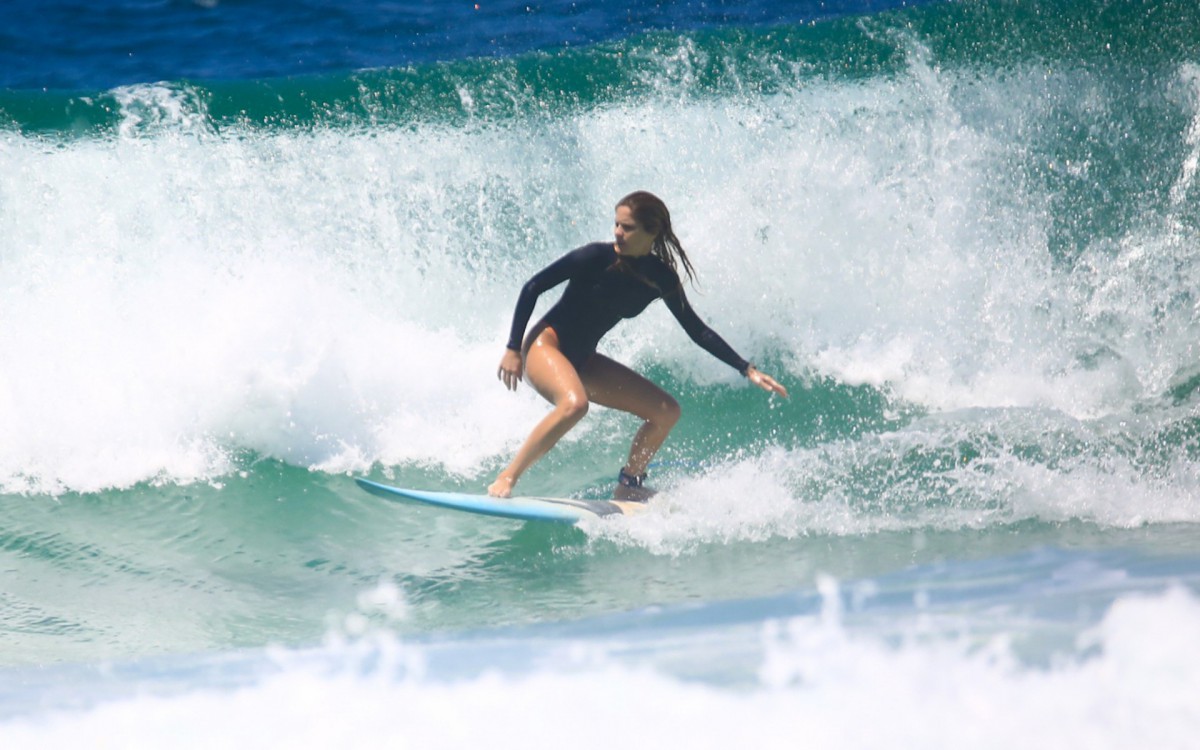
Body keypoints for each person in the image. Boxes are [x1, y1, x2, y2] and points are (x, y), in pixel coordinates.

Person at [489, 191, 788, 501]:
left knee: (666, 411)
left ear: (652, 232)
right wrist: (512, 348)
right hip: (545, 345)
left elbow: (696, 330)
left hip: (583, 358)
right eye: (617, 224)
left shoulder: (660, 278)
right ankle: (507, 477)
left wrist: (746, 368)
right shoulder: (594, 257)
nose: (618, 232)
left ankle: (629, 485)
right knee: (574, 405)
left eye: (627, 227)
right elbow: (533, 287)